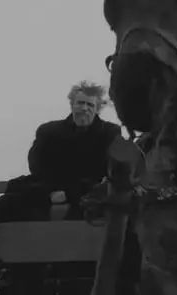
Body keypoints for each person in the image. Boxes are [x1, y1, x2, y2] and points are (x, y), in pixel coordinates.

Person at [27, 80, 121, 212]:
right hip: (50, 190)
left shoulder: (109, 133)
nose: (84, 108)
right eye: (80, 103)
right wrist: (52, 192)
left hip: (90, 194)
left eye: (90, 105)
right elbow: (37, 166)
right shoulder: (49, 132)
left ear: (97, 109)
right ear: (72, 105)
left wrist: (70, 193)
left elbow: (109, 172)